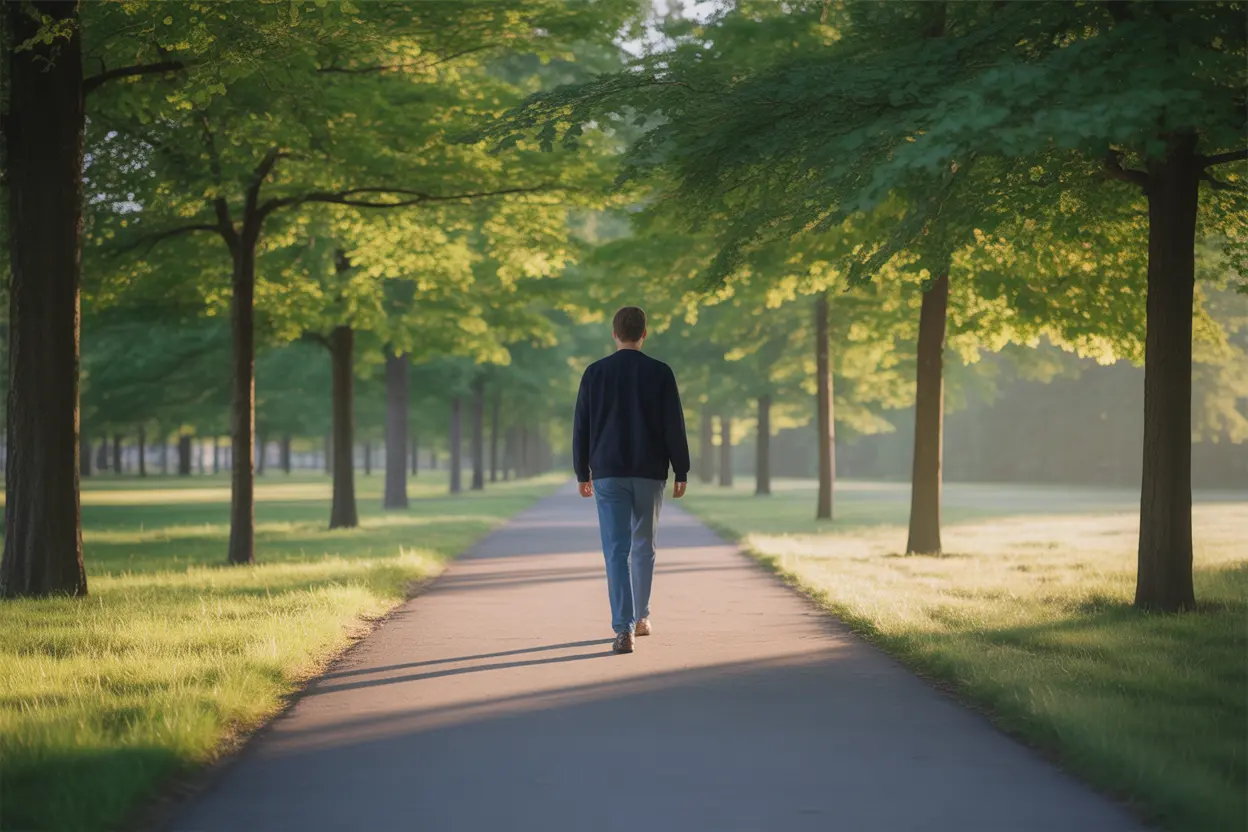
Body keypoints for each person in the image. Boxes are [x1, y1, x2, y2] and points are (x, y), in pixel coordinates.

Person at [573, 306, 691, 654]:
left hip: (608, 472)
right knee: (644, 547)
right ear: (644, 333)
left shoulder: (595, 373)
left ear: (614, 333)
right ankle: (642, 618)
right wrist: (681, 469)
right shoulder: (660, 373)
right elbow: (674, 424)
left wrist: (582, 471)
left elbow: (582, 425)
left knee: (615, 550)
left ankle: (622, 629)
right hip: (650, 471)